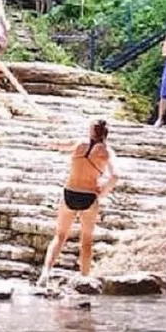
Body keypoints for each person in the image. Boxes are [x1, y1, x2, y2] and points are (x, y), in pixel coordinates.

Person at [37, 119, 119, 288]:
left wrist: (47, 142)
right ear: (106, 134)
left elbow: (60, 145)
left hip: (70, 193)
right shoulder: (107, 152)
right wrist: (102, 192)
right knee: (86, 240)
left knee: (60, 236)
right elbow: (115, 176)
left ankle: (46, 272)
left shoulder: (79, 144)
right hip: (89, 196)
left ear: (91, 131)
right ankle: (84, 279)